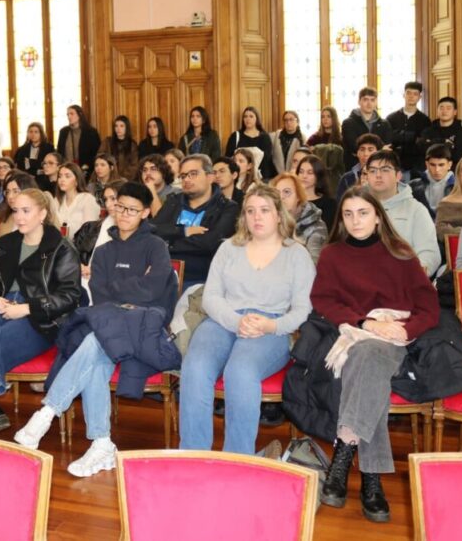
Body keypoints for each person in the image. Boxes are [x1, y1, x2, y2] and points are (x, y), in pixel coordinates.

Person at [15, 183, 179, 476]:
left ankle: (48, 411)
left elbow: (154, 291)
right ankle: (102, 443)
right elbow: (102, 296)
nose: (124, 214)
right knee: (97, 351)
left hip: (145, 328)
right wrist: (132, 289)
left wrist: (125, 294)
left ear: (144, 212)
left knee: (95, 338)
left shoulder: (156, 246)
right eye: (120, 206)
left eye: (132, 209)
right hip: (111, 325)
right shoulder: (103, 251)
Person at [312, 187, 439, 523]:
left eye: (363, 212)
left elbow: (429, 308)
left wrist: (405, 330)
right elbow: (323, 301)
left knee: (369, 358)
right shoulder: (333, 255)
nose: (355, 220)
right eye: (348, 214)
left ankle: (343, 454)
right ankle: (371, 478)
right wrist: (363, 321)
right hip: (352, 335)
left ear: (378, 216)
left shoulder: (400, 253)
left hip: (395, 337)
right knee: (367, 364)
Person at [179, 185, 315, 454]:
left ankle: (238, 459)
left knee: (240, 372)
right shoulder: (229, 248)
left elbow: (303, 309)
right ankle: (192, 454)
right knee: (195, 367)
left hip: (271, 327)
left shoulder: (297, 254)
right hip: (223, 319)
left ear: (279, 215)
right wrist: (235, 321)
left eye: (265, 210)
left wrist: (271, 325)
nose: (257, 217)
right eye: (250, 211)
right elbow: (212, 296)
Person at [0, 189, 82, 435]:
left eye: (26, 211)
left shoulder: (61, 248)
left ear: (43, 213)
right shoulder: (4, 245)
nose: (19, 217)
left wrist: (26, 308)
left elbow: (70, 296)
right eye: (16, 211)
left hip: (38, 319)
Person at [150, 154, 239, 288]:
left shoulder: (227, 207)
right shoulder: (174, 201)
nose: (187, 179)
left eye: (193, 174)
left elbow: (209, 243)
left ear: (210, 177)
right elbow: (152, 230)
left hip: (201, 278)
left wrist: (168, 243)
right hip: (164, 271)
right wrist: (183, 231)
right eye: (183, 176)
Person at [364, 151, 441, 277]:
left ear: (398, 175)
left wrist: (412, 276)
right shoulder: (355, 208)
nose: (378, 175)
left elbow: (429, 253)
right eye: (372, 171)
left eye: (385, 170)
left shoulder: (416, 210)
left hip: (403, 280)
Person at [270, 173, 328, 263]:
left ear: (298, 196)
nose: (281, 197)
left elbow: (314, 265)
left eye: (287, 192)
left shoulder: (316, 227)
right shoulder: (270, 222)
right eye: (277, 193)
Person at [387, 82, 432, 179]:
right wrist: (412, 136)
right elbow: (389, 138)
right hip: (393, 164)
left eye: (415, 94)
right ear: (404, 95)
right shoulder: (391, 118)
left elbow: (422, 143)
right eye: (408, 93)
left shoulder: (425, 120)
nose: (411, 96)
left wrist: (399, 136)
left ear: (420, 97)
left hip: (416, 167)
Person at [341, 88, 393, 170]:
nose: (369, 103)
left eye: (372, 100)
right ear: (359, 101)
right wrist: (379, 150)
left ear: (376, 102)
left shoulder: (384, 124)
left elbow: (387, 148)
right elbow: (354, 147)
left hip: (379, 168)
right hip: (355, 168)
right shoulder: (348, 123)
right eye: (365, 99)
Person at [225, 106, 276, 179]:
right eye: (245, 116)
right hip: (240, 177)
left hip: (260, 177)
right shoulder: (235, 136)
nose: (248, 119)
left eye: (251, 116)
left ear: (256, 119)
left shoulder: (264, 137)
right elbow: (229, 157)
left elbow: (267, 160)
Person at [417, 96, 462, 166]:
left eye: (448, 108)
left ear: (455, 112)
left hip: (452, 171)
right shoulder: (427, 131)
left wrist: (431, 144)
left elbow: (456, 156)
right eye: (441, 108)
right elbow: (422, 151)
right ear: (437, 111)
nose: (444, 111)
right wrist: (445, 143)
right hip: (430, 169)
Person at [408, 144, 456, 218]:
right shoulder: (412, 187)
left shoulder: (459, 188)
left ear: (449, 165)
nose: (437, 170)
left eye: (441, 165)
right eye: (433, 165)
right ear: (427, 164)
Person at [55, 162, 101, 235]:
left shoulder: (87, 199)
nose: (62, 180)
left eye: (67, 176)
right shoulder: (57, 200)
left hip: (81, 244)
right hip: (59, 243)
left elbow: (89, 230)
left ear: (77, 180)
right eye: (60, 176)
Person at [57, 104, 101, 178]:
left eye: (72, 114)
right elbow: (60, 151)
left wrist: (88, 165)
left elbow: (97, 152)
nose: (69, 117)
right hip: (67, 169)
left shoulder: (91, 132)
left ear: (80, 114)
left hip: (85, 170)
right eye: (67, 114)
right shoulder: (63, 132)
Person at [336, 133, 383, 199]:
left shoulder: (385, 176)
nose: (366, 154)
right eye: (362, 149)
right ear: (357, 153)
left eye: (370, 150)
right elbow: (340, 204)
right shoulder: (346, 179)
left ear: (379, 153)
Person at [296, 154, 336, 229]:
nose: (304, 176)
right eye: (301, 172)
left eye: (310, 172)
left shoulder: (329, 204)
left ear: (318, 175)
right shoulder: (292, 201)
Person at [100, 115, 140, 180]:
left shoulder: (132, 144)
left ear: (127, 128)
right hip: (108, 177)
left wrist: (123, 177)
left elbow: (134, 165)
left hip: (126, 179)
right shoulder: (107, 142)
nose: (118, 129)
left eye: (121, 126)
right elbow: (100, 158)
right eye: (116, 126)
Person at [271, 110, 305, 174]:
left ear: (297, 121)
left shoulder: (302, 138)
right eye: (286, 120)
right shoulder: (277, 136)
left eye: (291, 119)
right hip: (277, 173)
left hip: (296, 173)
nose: (288, 122)